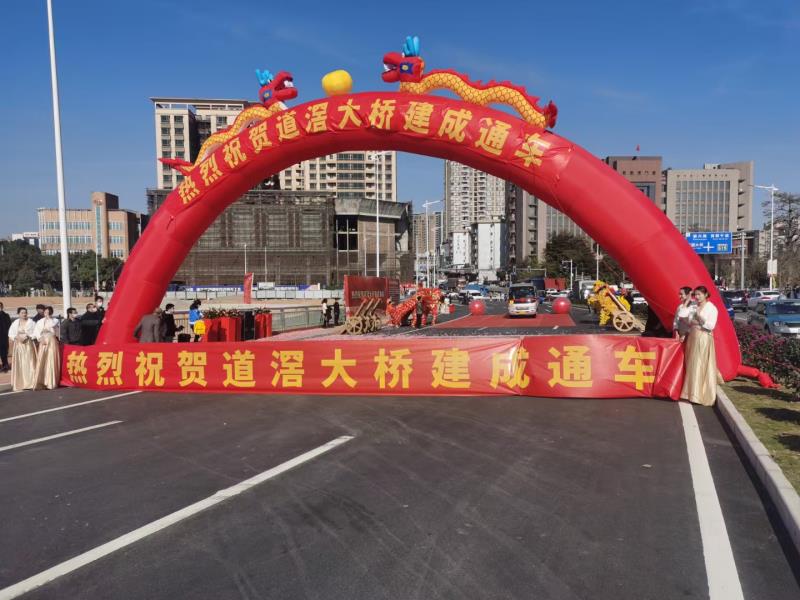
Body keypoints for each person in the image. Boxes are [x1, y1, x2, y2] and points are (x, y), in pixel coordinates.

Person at [681, 286, 721, 406]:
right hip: (692, 337)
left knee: (698, 364)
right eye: (696, 295)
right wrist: (687, 301)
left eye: (699, 294)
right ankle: (689, 392)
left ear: (706, 294)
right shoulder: (694, 306)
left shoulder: (711, 308)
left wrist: (699, 317)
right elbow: (683, 316)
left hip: (703, 337)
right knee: (691, 364)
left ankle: (697, 395)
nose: (697, 297)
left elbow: (710, 325)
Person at [8, 307, 37, 391]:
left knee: (30, 363)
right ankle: (20, 383)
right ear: (18, 314)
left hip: (28, 345)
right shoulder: (15, 323)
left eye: (25, 313)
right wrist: (17, 337)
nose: (24, 314)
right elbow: (11, 333)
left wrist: (28, 335)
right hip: (19, 346)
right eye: (22, 313)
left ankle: (31, 383)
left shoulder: (31, 322)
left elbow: (36, 332)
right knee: (20, 364)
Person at [33, 306, 61, 390]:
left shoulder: (55, 320)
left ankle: (51, 381)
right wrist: (40, 338)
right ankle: (41, 380)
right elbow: (36, 331)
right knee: (42, 359)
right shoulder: (40, 321)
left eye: (48, 312)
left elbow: (54, 328)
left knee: (51, 359)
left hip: (51, 341)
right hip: (43, 341)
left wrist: (49, 318)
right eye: (45, 312)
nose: (46, 314)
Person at [0, 302, 10, 373]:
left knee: (4, 352)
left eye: (0, 306)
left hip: (3, 337)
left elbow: (9, 325)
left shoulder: (6, 315)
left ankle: (5, 365)